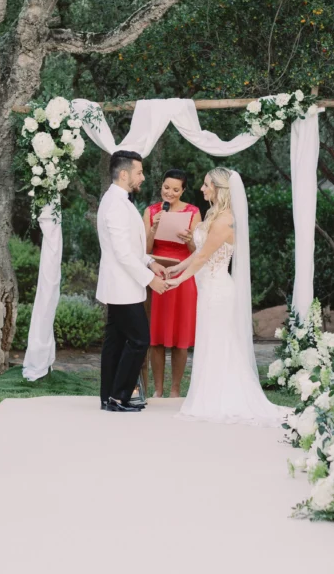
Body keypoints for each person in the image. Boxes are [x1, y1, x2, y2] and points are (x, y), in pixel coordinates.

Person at [164, 168, 284, 427]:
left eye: (207, 185)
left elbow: (205, 257)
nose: (202, 189)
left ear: (219, 189)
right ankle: (210, 396)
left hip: (218, 290)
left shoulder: (224, 220)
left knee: (218, 342)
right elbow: (201, 253)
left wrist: (178, 280)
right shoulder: (212, 216)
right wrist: (177, 266)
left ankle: (220, 399)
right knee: (210, 342)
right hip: (209, 287)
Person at [96, 151, 169, 413]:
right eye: (139, 172)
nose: (143, 177)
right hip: (122, 286)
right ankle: (119, 397)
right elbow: (122, 253)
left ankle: (109, 397)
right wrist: (150, 280)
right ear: (124, 173)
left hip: (121, 285)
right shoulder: (115, 204)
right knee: (139, 341)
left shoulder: (119, 200)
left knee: (115, 341)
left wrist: (150, 262)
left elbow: (131, 247)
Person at [143, 169, 201, 398]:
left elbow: (199, 253)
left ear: (183, 190)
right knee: (155, 336)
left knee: (180, 337)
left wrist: (190, 242)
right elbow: (143, 251)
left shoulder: (193, 212)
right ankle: (158, 390)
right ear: (161, 186)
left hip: (183, 278)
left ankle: (175, 389)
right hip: (156, 275)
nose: (170, 193)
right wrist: (154, 229)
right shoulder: (150, 211)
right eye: (166, 188)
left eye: (176, 189)